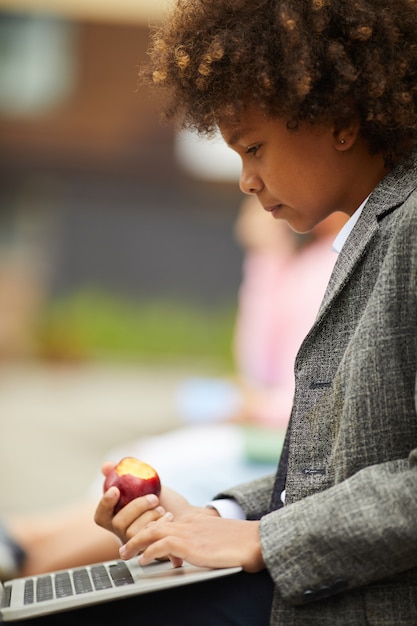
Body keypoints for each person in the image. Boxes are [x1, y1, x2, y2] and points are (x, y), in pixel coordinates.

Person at [13, 0, 417, 623]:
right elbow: (331, 477)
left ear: (340, 119)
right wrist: (217, 517)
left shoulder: (409, 226)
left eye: (254, 147)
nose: (246, 180)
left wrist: (261, 539)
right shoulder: (370, 229)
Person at [7, 198, 346, 576]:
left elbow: (316, 397)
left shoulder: (332, 266)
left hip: (281, 442)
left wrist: (256, 406)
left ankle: (31, 555)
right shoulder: (304, 262)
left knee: (169, 472)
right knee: (140, 464)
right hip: (264, 431)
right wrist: (266, 257)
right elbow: (259, 365)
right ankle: (27, 541)